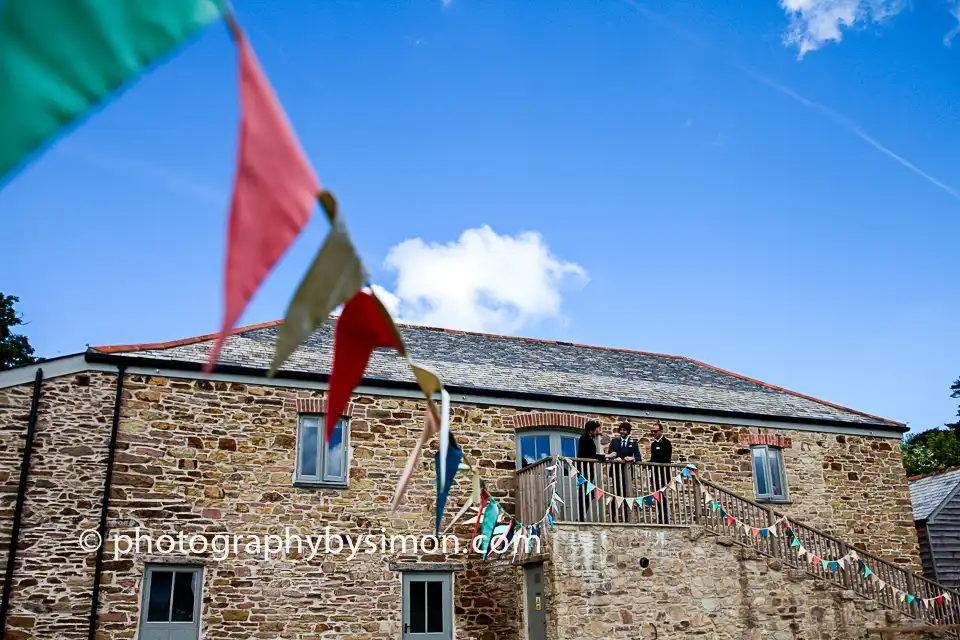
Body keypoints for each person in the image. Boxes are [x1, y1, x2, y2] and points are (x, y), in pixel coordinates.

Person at [607, 422, 642, 522]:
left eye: (624, 430)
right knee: (616, 494)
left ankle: (627, 518)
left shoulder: (633, 442)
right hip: (616, 472)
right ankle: (613, 517)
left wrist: (631, 458)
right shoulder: (615, 441)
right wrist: (615, 458)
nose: (622, 432)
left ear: (628, 431)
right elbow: (610, 454)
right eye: (621, 430)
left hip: (627, 472)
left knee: (627, 495)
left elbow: (638, 456)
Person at [577, 421, 605, 520]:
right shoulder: (585, 439)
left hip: (588, 470)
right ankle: (580, 517)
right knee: (585, 494)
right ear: (591, 430)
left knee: (588, 493)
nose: (597, 432)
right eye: (596, 430)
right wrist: (605, 456)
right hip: (585, 470)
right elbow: (589, 455)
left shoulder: (588, 438)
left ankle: (581, 516)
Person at [649, 421, 672, 523]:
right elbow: (653, 458)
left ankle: (665, 517)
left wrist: (654, 462)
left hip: (662, 474)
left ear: (661, 431)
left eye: (655, 431)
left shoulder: (666, 443)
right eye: (652, 431)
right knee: (656, 494)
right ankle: (660, 515)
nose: (653, 433)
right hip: (654, 473)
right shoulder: (653, 444)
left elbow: (665, 458)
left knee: (661, 494)